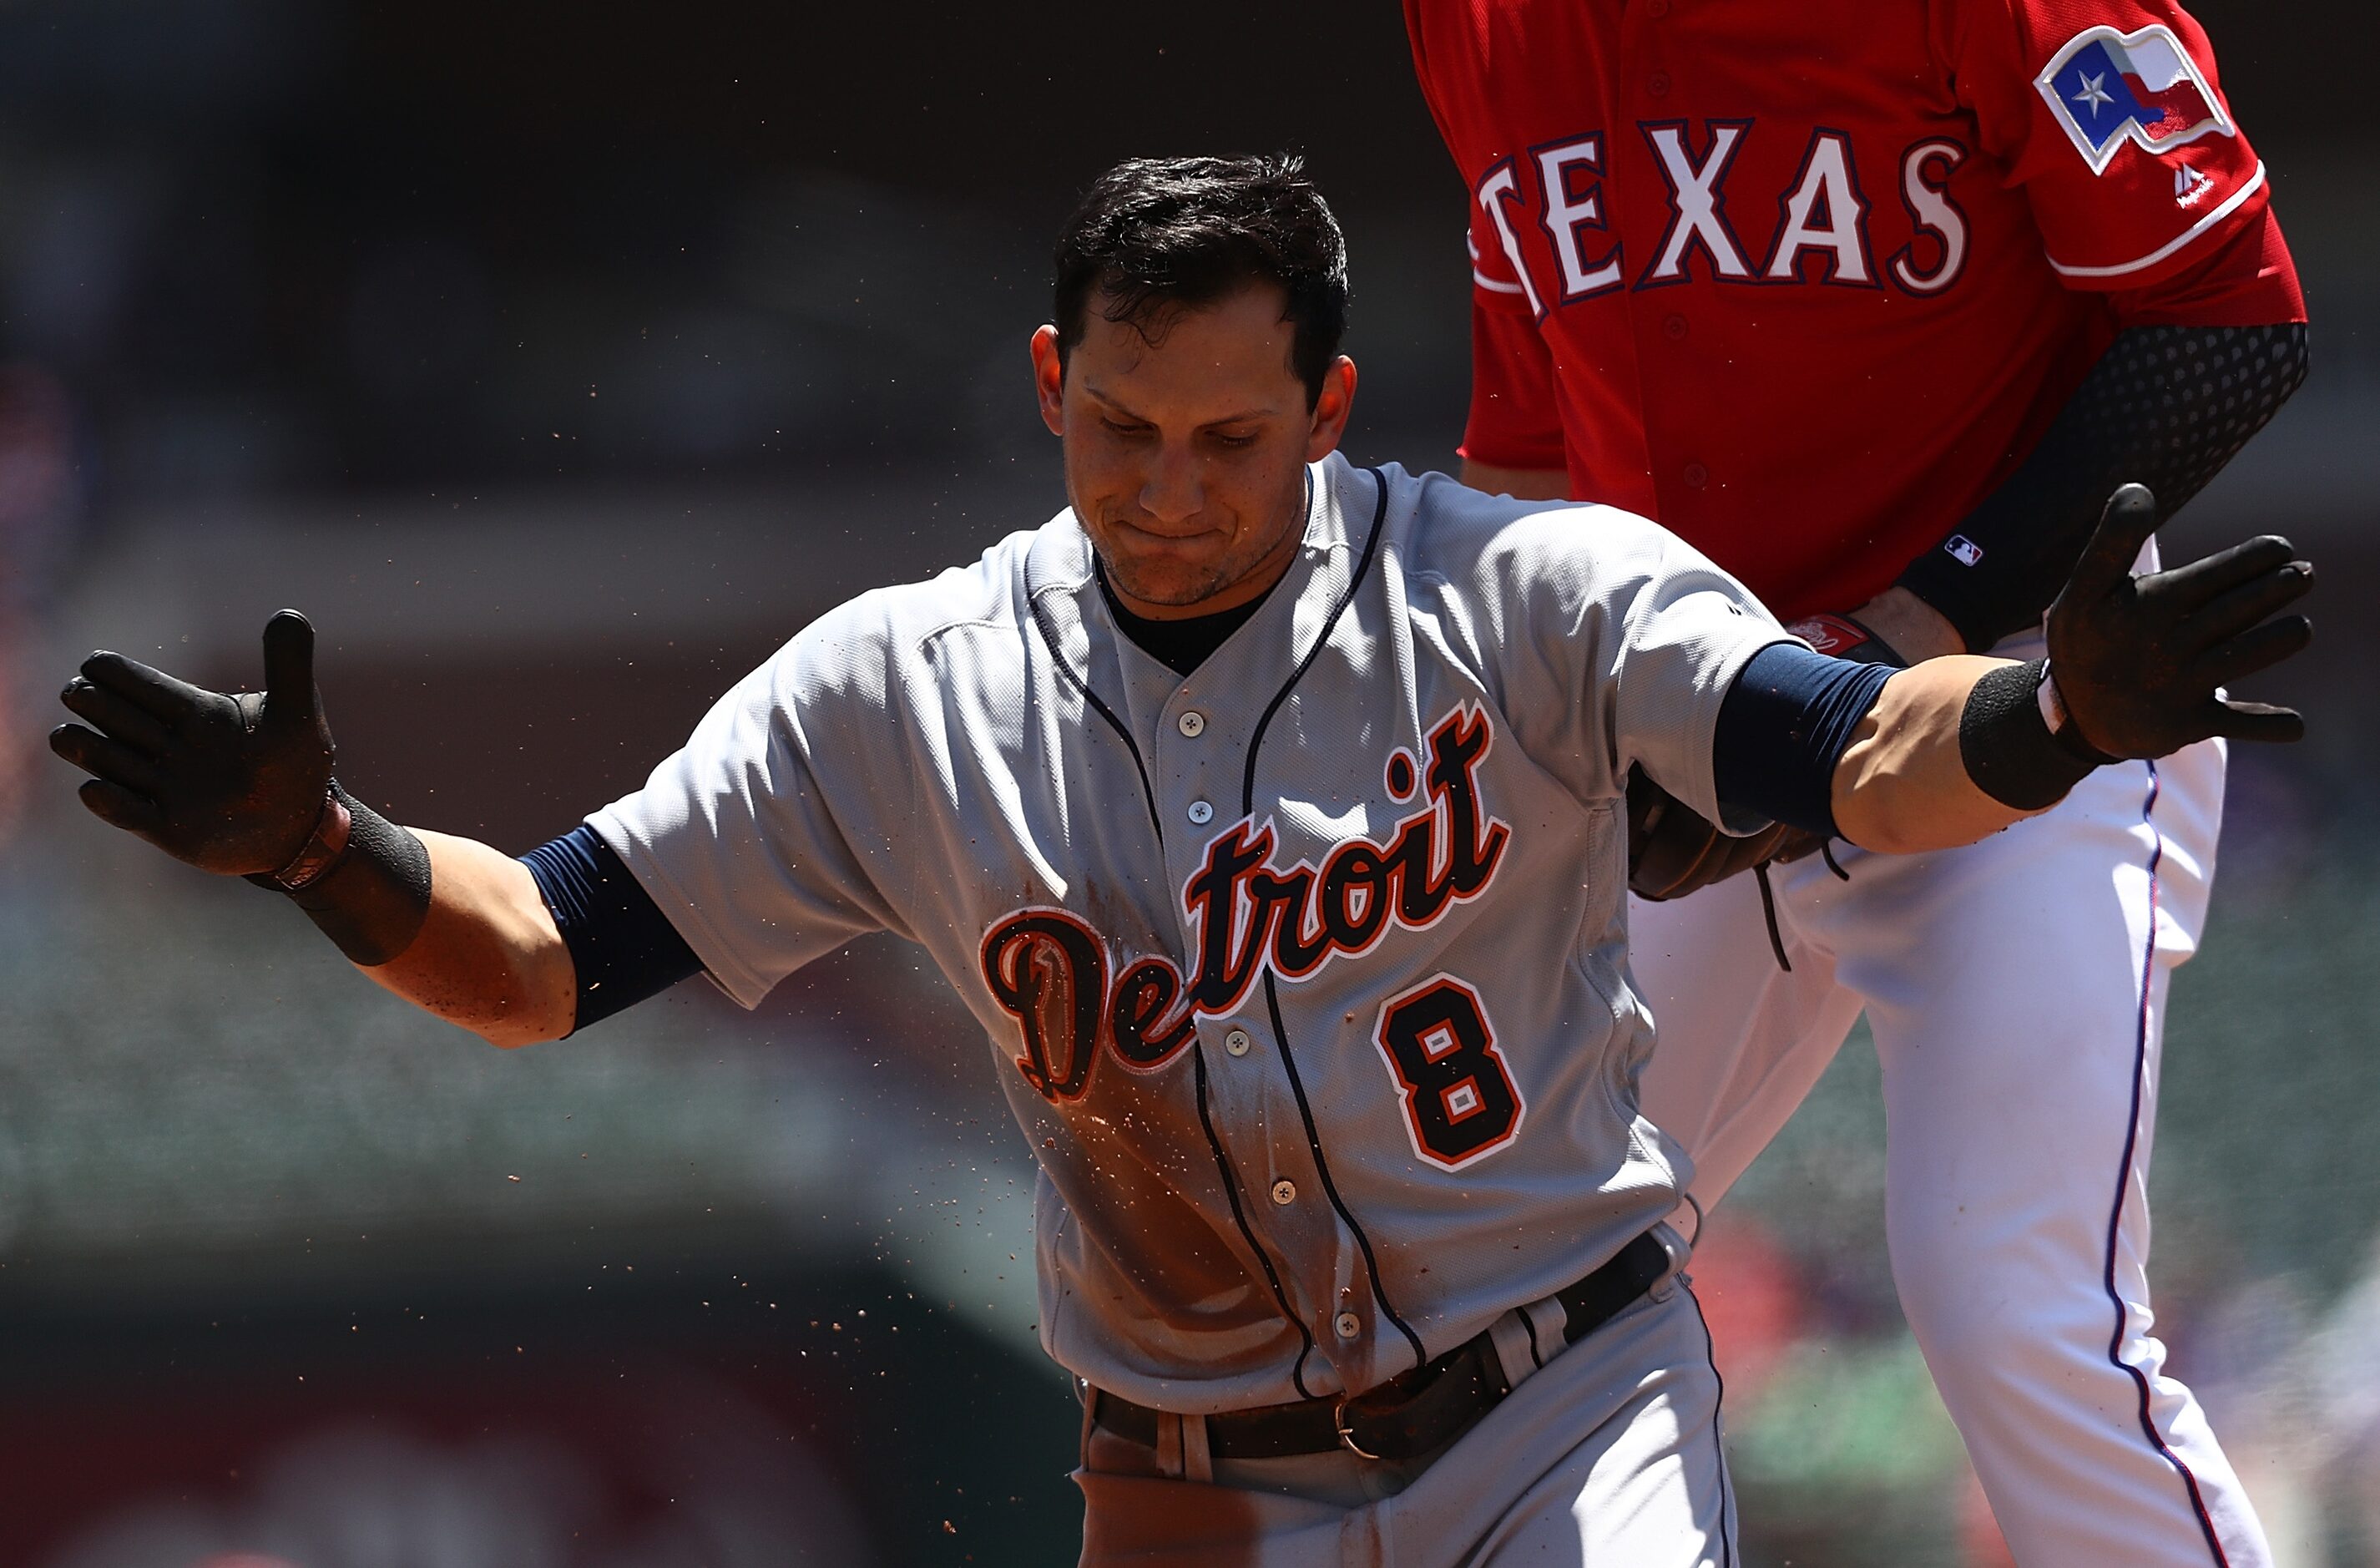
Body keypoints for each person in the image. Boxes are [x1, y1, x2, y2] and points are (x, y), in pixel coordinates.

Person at [47, 155, 2311, 1566]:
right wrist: (321, 850)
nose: (1172, 485)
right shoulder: (903, 692)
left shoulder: (1518, 597)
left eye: (1231, 436)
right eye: (1122, 428)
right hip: (1198, 1475)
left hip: (1561, 1400)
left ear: (1334, 408)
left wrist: (2045, 712)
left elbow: (1836, 752)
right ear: (1051, 385)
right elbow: (544, 952)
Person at [1404, 1, 2309, 1560]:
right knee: (1468, 1285)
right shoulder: (1479, 22)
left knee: (2012, 1303)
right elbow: (1532, 454)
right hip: (1688, 732)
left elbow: (2231, 318)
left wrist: (1904, 628)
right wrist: (1545, 745)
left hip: (2027, 694)